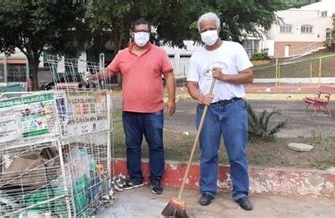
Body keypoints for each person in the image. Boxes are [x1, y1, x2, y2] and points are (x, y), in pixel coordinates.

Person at [88, 18, 176, 194]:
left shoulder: (159, 53)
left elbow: (169, 75)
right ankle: (135, 177)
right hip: (130, 112)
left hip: (153, 111)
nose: (142, 35)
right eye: (139, 31)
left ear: (149, 33)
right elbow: (109, 72)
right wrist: (93, 77)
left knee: (156, 145)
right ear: (132, 34)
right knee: (132, 146)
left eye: (145, 31)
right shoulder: (122, 55)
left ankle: (156, 179)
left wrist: (171, 99)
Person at [185, 12, 254, 210]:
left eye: (211, 28)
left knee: (237, 153)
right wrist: (200, 97)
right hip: (208, 109)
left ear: (219, 29)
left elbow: (249, 76)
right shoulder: (197, 56)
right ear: (199, 33)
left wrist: (224, 76)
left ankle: (241, 193)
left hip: (233, 107)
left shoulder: (234, 48)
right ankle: (207, 190)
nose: (208, 32)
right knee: (207, 152)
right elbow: (191, 85)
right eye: (203, 30)